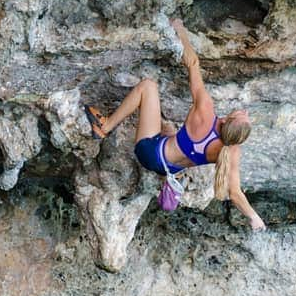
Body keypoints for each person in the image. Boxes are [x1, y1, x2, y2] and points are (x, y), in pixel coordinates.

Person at [83, 18, 266, 231]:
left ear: (226, 120)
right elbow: (235, 192)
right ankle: (167, 160)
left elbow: (193, 63)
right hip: (166, 169)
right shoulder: (231, 152)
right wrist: (254, 218)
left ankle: (103, 127)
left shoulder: (206, 113)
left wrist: (180, 30)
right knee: (168, 128)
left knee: (148, 86)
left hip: (149, 152)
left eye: (241, 114)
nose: (244, 111)